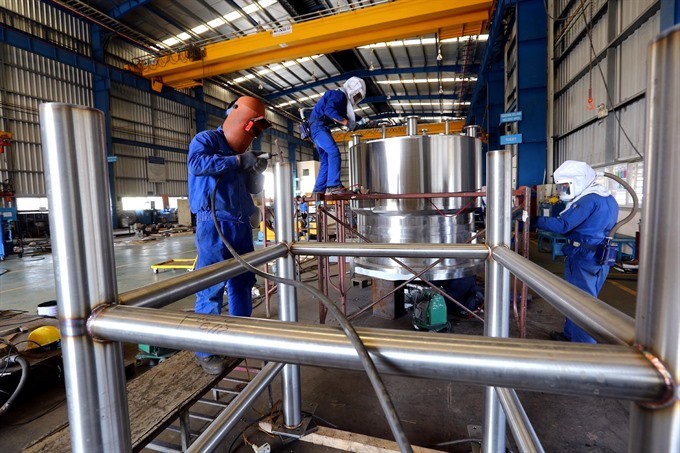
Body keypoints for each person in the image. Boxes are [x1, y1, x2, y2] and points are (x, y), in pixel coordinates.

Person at [187, 96, 271, 374]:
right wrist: (237, 160)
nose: (252, 134)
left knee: (243, 281)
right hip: (212, 222)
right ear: (237, 116)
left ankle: (240, 336)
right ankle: (206, 351)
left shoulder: (246, 152)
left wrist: (255, 171)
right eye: (252, 127)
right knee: (211, 284)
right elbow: (197, 165)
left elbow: (252, 189)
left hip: (240, 223)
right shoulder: (206, 139)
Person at [536, 160, 619, 344]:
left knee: (583, 304)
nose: (562, 191)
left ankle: (584, 347)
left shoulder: (588, 200)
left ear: (578, 181)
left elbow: (563, 225)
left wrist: (534, 219)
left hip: (583, 256)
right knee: (578, 298)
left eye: (565, 186)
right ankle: (570, 335)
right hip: (599, 255)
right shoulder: (607, 197)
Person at [309, 76, 367, 195]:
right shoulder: (339, 95)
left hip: (318, 128)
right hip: (318, 127)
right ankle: (334, 185)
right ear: (352, 90)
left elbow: (350, 117)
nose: (356, 99)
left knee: (325, 159)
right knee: (334, 152)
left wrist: (366, 122)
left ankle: (318, 190)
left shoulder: (341, 100)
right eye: (357, 96)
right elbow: (329, 111)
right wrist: (347, 123)